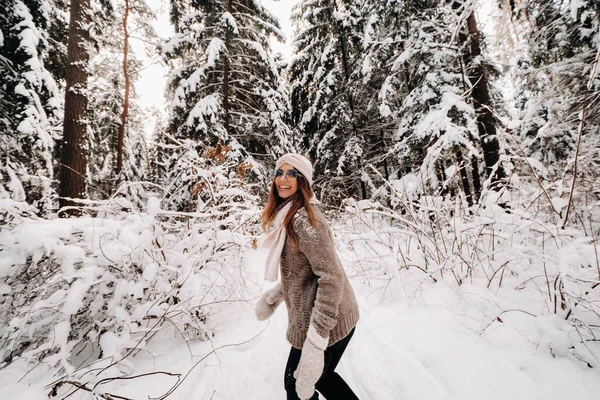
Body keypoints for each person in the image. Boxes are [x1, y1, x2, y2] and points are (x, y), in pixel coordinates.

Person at [255, 153, 360, 400]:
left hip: (329, 321)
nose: (283, 179)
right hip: (311, 319)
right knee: (314, 380)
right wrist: (279, 293)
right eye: (279, 172)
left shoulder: (304, 220)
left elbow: (331, 278)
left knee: (301, 385)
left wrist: (315, 342)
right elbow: (304, 268)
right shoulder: (288, 215)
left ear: (303, 181)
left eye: (292, 174)